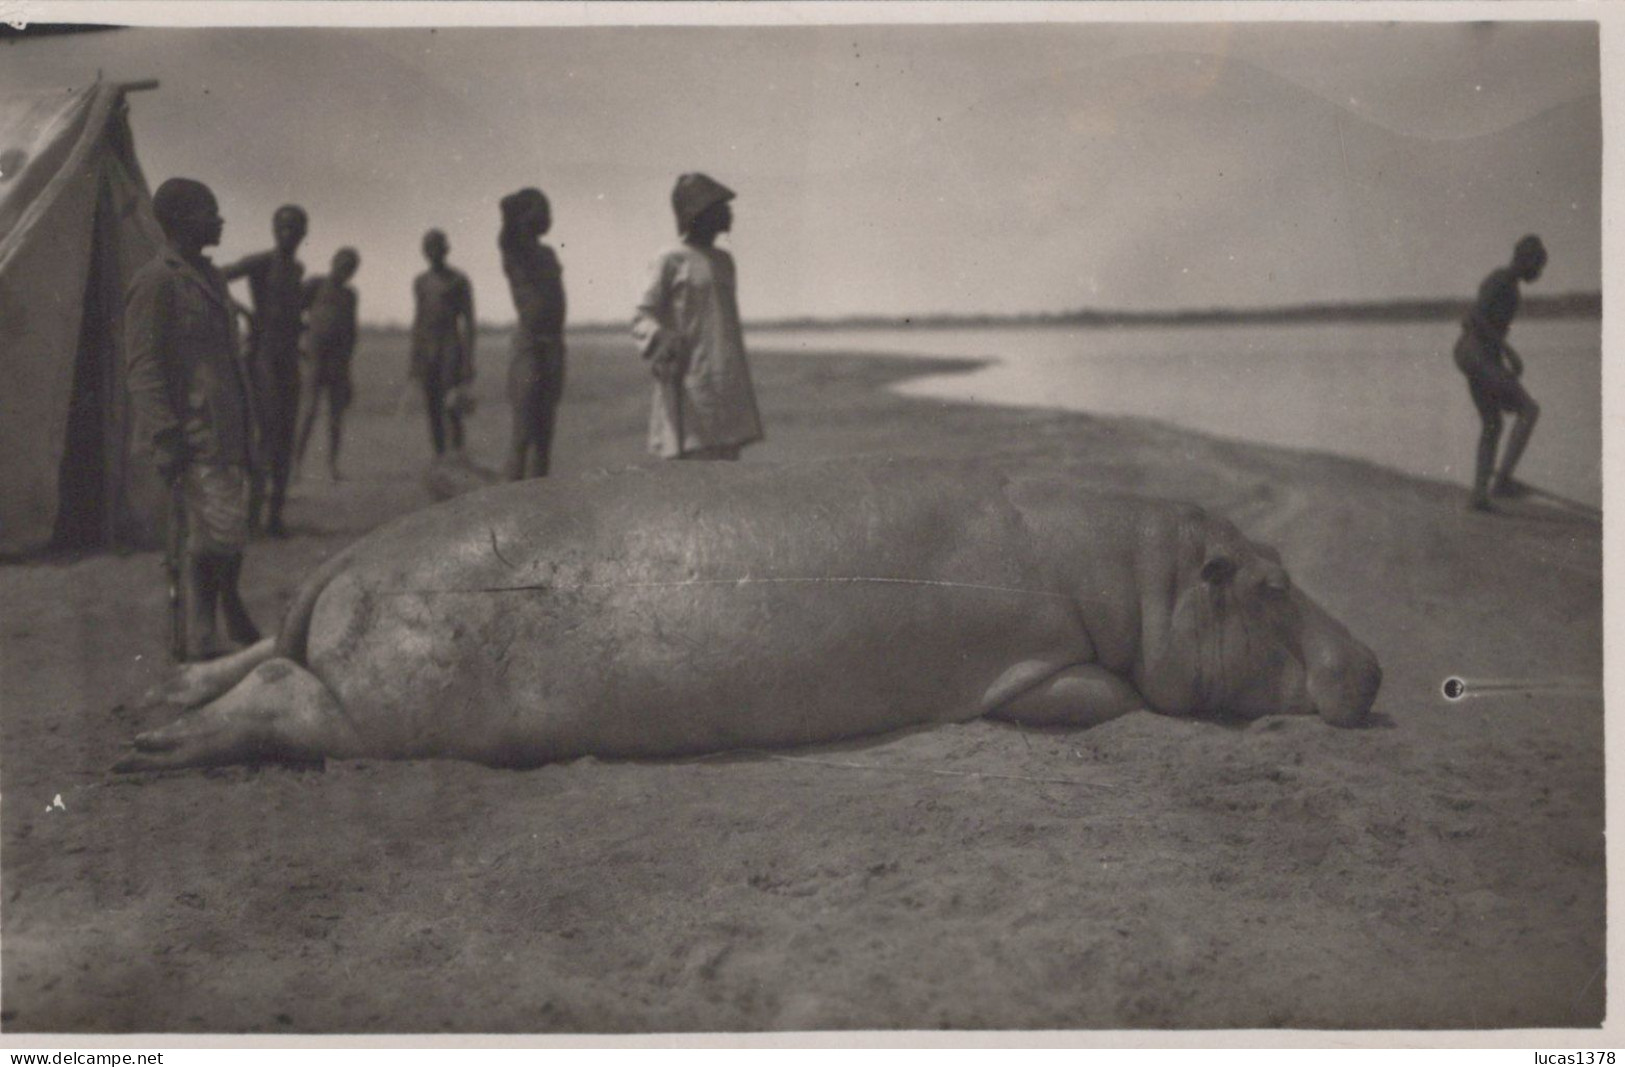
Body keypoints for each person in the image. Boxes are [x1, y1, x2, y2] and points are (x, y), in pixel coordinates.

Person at [124, 177, 260, 661]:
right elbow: (143, 367)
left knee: (228, 532)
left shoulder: (211, 276)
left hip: (230, 430)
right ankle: (202, 639)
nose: (219, 219)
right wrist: (164, 435)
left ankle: (214, 626)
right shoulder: (158, 280)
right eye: (210, 211)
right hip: (195, 434)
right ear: (180, 221)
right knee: (211, 537)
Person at [632, 173, 763, 461]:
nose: (728, 212)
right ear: (697, 212)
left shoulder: (724, 261)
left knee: (727, 464)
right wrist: (661, 337)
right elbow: (643, 314)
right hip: (688, 378)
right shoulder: (670, 258)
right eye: (719, 206)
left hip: (726, 377)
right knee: (692, 466)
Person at [223, 204, 308, 537]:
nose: (288, 233)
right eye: (282, 226)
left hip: (289, 359)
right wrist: (243, 311)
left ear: (304, 233)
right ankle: (253, 517)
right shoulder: (261, 262)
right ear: (274, 229)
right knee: (266, 435)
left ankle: (275, 517)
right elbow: (216, 276)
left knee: (286, 438)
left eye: (294, 227)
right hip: (264, 359)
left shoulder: (297, 269)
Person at [1453, 234, 1548, 511]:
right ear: (1525, 259)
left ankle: (1479, 497)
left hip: (1474, 355)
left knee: (1493, 423)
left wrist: (1503, 367)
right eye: (1538, 266)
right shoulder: (1502, 280)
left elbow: (1483, 325)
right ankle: (1502, 481)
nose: (1538, 273)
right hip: (1475, 352)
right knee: (1529, 410)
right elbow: (1476, 318)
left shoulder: (1509, 284)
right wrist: (1508, 351)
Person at [498, 190, 567, 479]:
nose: (548, 217)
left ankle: (540, 506)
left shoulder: (548, 253)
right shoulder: (516, 251)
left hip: (553, 347)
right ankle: (506, 507)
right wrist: (522, 209)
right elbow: (507, 225)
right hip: (529, 347)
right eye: (542, 211)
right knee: (523, 434)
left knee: (544, 438)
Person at [294, 247, 361, 481]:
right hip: (315, 360)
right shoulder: (315, 285)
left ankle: (332, 467)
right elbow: (293, 313)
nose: (346, 271)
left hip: (338, 363)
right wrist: (303, 340)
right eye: (343, 265)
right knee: (308, 412)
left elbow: (351, 332)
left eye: (351, 268)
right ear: (333, 262)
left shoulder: (350, 295)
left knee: (335, 417)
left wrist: (348, 368)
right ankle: (295, 467)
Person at [410, 229, 477, 461]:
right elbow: (418, 321)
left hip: (451, 348)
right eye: (428, 248)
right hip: (428, 351)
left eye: (437, 247)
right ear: (424, 252)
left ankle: (457, 455)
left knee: (452, 405)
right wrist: (414, 359)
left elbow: (469, 322)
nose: (433, 252)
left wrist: (468, 361)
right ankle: (439, 456)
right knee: (432, 406)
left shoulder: (459, 280)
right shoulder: (420, 282)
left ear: (445, 249)